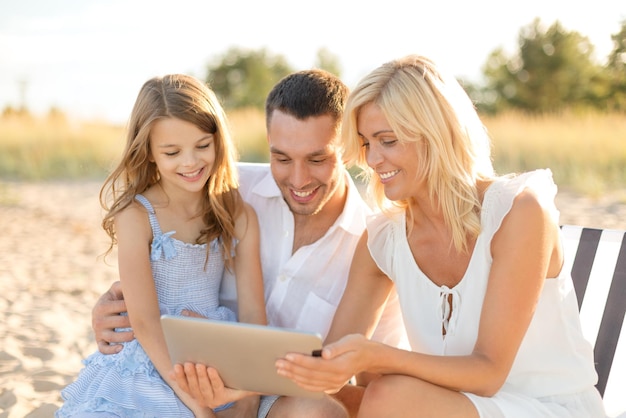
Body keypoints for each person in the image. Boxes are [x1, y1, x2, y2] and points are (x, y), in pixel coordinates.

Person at [274, 54, 606, 417]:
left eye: (387, 140)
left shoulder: (518, 212)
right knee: (310, 406)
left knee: (387, 396)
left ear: (435, 134)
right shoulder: (383, 239)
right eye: (367, 143)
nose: (372, 160)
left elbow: (489, 373)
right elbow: (332, 370)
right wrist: (244, 382)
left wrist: (379, 358)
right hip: (450, 407)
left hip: (548, 408)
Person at [90, 69, 408, 418]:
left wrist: (246, 393)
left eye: (317, 159)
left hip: (273, 395)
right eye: (282, 158)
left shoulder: (375, 245)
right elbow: (155, 272)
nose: (299, 179)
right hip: (177, 368)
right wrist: (111, 309)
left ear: (348, 149)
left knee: (317, 412)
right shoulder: (220, 189)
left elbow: (365, 386)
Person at [57, 74, 267, 418]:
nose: (190, 162)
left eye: (202, 146)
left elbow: (254, 315)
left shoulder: (238, 213)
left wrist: (248, 399)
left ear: (218, 141)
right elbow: (145, 322)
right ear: (150, 153)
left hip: (210, 353)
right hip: (150, 356)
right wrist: (200, 409)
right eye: (172, 152)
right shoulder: (137, 216)